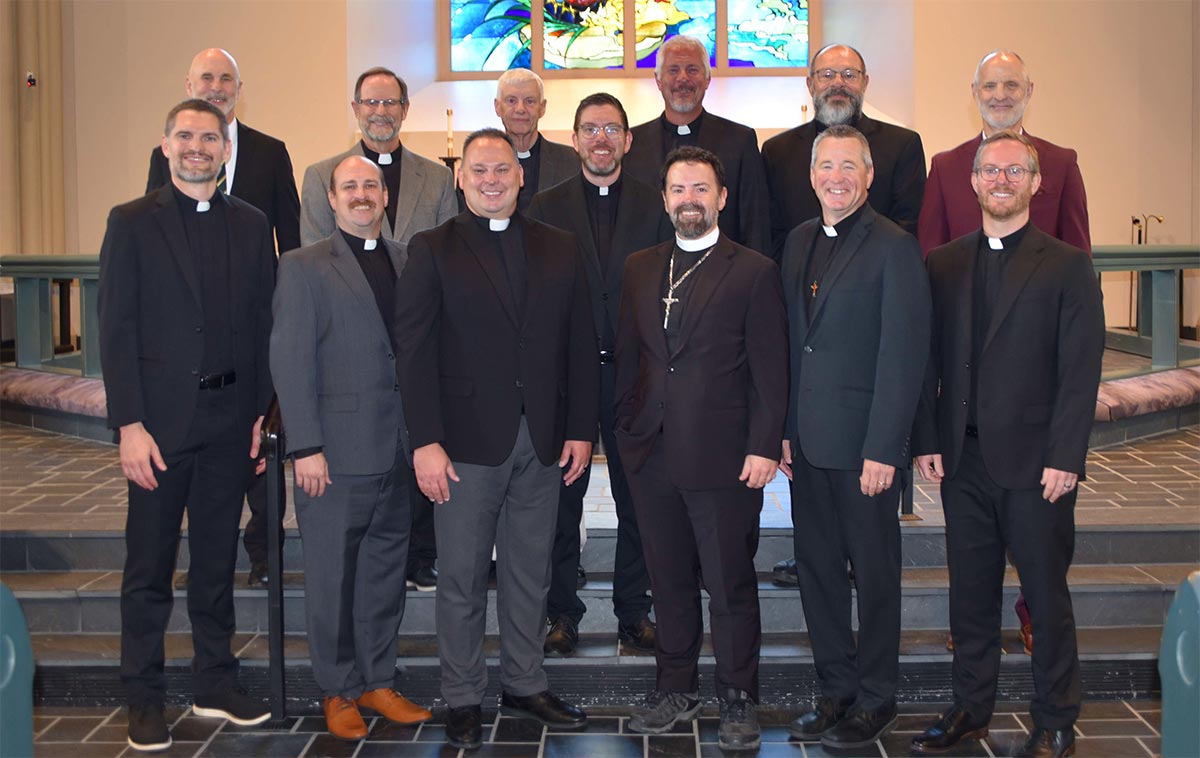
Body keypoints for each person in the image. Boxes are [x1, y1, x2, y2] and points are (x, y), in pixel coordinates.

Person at [394, 128, 599, 750]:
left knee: (529, 572)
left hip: (542, 440)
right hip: (462, 446)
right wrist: (425, 441)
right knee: (460, 576)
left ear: (521, 175)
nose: (491, 180)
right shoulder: (432, 248)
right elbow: (414, 351)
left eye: (502, 170)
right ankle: (462, 695)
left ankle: (524, 683)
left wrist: (580, 429)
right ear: (461, 178)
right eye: (479, 170)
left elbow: (579, 343)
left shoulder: (559, 246)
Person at [910, 131, 1104, 758]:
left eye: (1014, 171)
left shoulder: (1068, 264)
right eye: (990, 171)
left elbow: (1081, 369)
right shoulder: (944, 263)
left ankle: (1056, 719)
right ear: (972, 182)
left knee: (1045, 597)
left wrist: (1066, 456)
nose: (1001, 181)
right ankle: (971, 707)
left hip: (1037, 464)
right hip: (963, 461)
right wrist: (928, 438)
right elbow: (928, 360)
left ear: (1036, 183)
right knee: (969, 594)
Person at [99, 99, 275, 751]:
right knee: (149, 565)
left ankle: (214, 682)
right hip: (159, 426)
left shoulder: (252, 224)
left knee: (214, 560)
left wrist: (261, 413)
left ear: (226, 148)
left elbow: (262, 323)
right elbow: (115, 330)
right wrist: (129, 424)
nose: (197, 146)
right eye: (186, 136)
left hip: (230, 421)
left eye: (209, 137)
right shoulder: (131, 222)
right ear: (166, 144)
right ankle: (143, 696)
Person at [615, 146, 787, 751]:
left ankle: (738, 696)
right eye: (679, 189)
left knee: (729, 581)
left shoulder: (753, 271)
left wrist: (764, 446)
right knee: (668, 582)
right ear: (664, 199)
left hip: (724, 457)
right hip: (651, 453)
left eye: (700, 189)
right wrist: (626, 428)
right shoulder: (641, 267)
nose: (689, 199)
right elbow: (630, 357)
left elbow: (771, 370)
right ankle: (675, 688)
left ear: (721, 197)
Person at [269, 155, 433, 741]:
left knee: (384, 574)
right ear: (332, 199)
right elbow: (290, 360)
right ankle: (337, 688)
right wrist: (306, 446)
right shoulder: (304, 265)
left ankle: (377, 680)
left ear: (385, 197)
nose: (361, 194)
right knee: (332, 577)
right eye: (349, 187)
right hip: (334, 454)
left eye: (370, 185)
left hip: (397, 449)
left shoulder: (408, 260)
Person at [780, 125, 930, 750]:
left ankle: (876, 697)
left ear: (869, 176)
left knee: (874, 575)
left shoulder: (895, 246)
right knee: (817, 572)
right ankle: (835, 690)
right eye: (826, 165)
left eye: (849, 166)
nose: (836, 177)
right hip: (808, 446)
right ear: (811, 175)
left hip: (865, 449)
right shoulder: (797, 241)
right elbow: (794, 345)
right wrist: (785, 431)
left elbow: (904, 356)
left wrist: (884, 448)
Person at [144, 47, 300, 587]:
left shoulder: (270, 152)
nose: (216, 86)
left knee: (261, 440)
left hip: (256, 325)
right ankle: (205, 553)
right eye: (206, 78)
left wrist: (287, 312)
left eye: (226, 78)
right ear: (189, 85)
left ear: (239, 88)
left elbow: (291, 238)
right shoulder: (165, 155)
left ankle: (266, 553)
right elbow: (156, 240)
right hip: (192, 334)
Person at [300, 66, 456, 591]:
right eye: (371, 102)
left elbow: (447, 255)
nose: (381, 112)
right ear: (356, 109)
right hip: (349, 348)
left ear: (406, 110)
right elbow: (314, 261)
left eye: (391, 102)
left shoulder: (437, 178)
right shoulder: (321, 175)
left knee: (419, 444)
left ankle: (421, 554)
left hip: (419, 337)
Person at [526, 92, 670, 658]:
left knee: (640, 500)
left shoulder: (655, 204)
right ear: (574, 140)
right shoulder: (545, 206)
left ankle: (634, 611)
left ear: (628, 141)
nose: (601, 139)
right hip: (569, 378)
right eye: (590, 129)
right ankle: (562, 613)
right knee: (563, 502)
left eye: (611, 129)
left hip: (637, 377)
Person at [918, 50, 1091, 257]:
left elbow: (1077, 256)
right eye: (989, 86)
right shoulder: (945, 168)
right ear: (975, 92)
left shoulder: (1061, 164)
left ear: (1029, 91)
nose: (1000, 95)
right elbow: (930, 257)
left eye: (1011, 85)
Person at [762, 43, 926, 261]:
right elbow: (771, 232)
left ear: (865, 83)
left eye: (849, 75)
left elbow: (907, 227)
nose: (838, 83)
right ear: (810, 85)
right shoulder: (778, 152)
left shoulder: (901, 146)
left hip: (875, 274)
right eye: (827, 75)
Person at [623, 35, 770, 254]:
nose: (683, 78)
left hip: (723, 268)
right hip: (651, 268)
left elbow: (755, 222)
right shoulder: (632, 144)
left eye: (692, 70)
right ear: (658, 81)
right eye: (673, 70)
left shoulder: (740, 141)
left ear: (707, 79)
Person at [494, 68, 579, 211]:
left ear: (542, 108)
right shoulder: (479, 164)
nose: (520, 109)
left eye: (530, 101)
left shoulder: (572, 161)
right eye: (511, 101)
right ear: (497, 107)